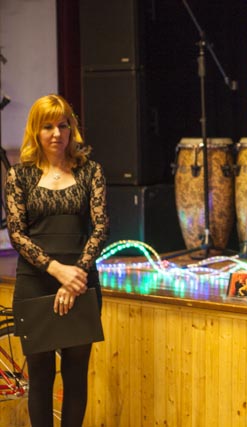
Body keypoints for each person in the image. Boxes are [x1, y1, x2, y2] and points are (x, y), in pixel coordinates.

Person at [5, 94, 109, 426]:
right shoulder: (19, 176)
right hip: (35, 283)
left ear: (71, 128)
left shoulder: (91, 171)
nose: (56, 134)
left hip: (81, 281)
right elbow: (17, 234)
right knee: (40, 378)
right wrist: (57, 270)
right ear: (35, 131)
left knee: (76, 376)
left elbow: (101, 227)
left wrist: (75, 275)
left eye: (63, 125)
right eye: (48, 126)